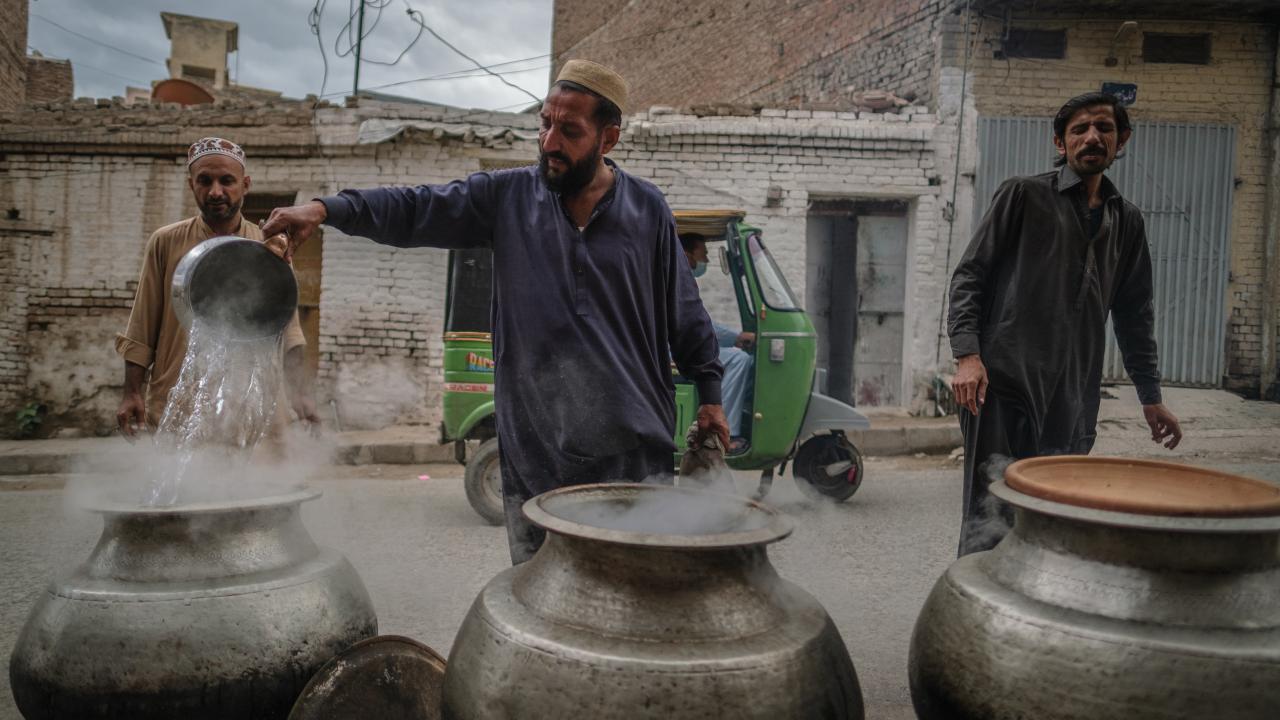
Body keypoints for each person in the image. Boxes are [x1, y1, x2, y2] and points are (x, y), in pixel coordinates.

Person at [261, 60, 728, 564]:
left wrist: (711, 394)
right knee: (540, 595)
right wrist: (327, 209)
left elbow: (683, 308)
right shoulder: (507, 197)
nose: (549, 142)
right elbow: (417, 207)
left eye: (569, 131)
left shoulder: (647, 209)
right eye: (544, 124)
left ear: (607, 138)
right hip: (538, 445)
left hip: (631, 443)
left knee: (634, 589)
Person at [947, 92, 1183, 556]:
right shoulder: (1023, 194)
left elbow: (1135, 315)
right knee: (989, 515)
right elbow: (970, 274)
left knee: (1054, 517)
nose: (1092, 136)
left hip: (1073, 397)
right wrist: (968, 356)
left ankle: (1037, 614)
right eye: (1079, 129)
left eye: (1104, 128)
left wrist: (1150, 397)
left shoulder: (1127, 221)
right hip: (1003, 385)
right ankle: (976, 609)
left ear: (1122, 141)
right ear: (1060, 142)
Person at [115, 137, 318, 439]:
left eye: (227, 181)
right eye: (204, 181)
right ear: (191, 185)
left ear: (245, 185)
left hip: (253, 399)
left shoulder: (270, 245)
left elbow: (288, 330)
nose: (215, 192)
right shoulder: (166, 241)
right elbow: (142, 324)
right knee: (186, 483)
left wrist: (300, 393)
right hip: (180, 395)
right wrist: (132, 391)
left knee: (257, 483)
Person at [680, 232, 754, 450]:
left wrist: (733, 337)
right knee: (738, 359)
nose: (707, 261)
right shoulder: (678, 280)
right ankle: (726, 434)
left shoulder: (682, 279)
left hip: (683, 343)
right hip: (675, 348)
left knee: (735, 356)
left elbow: (701, 324)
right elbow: (696, 324)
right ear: (686, 254)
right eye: (703, 254)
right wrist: (736, 337)